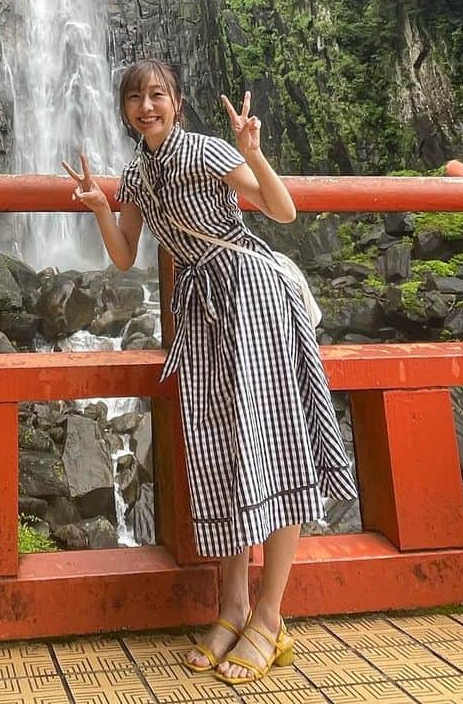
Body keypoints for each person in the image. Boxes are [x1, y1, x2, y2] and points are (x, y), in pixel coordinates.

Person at [63, 59, 356, 686]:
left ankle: (270, 620)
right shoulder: (139, 174)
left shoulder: (202, 150)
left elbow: (281, 211)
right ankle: (232, 608)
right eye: (137, 98)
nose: (148, 106)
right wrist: (98, 207)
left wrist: (251, 151)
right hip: (203, 316)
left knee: (275, 447)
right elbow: (122, 258)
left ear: (178, 102)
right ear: (124, 109)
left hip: (252, 295)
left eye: (159, 95)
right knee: (224, 454)